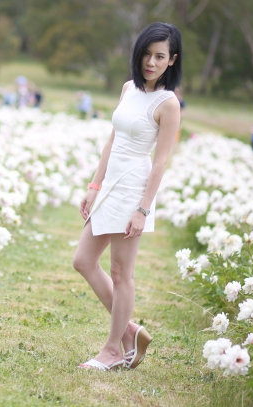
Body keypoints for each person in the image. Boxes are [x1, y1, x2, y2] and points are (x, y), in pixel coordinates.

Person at [74, 22, 182, 371]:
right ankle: (131, 331)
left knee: (121, 273)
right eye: (147, 54)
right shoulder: (128, 89)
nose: (151, 62)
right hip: (110, 186)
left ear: (172, 60)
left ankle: (114, 349)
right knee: (83, 261)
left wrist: (142, 210)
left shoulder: (169, 104)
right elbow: (112, 141)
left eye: (160, 56)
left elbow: (160, 161)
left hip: (134, 188)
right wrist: (94, 186)